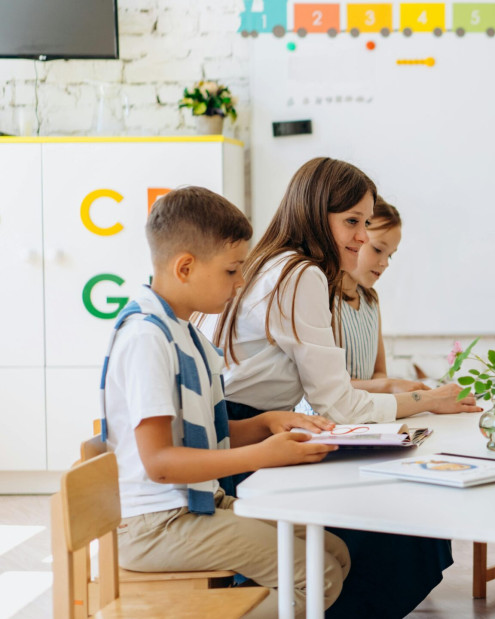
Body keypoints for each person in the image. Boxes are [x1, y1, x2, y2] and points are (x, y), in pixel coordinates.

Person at [212, 157, 473, 618]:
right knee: (402, 524)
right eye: (352, 222)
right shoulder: (302, 275)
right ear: (315, 213)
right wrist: (427, 401)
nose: (362, 237)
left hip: (248, 433)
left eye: (366, 223)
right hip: (248, 448)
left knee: (395, 512)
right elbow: (339, 404)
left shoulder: (275, 264)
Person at [101, 186, 350, 619]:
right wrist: (263, 454)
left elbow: (203, 437)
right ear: (185, 267)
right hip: (156, 523)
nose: (240, 284)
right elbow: (160, 463)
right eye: (232, 271)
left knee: (334, 552)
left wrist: (266, 424)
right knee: (319, 575)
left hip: (193, 503)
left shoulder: (184, 332)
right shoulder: (147, 338)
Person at [295, 197, 428, 417]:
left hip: (363, 416)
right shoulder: (321, 296)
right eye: (377, 249)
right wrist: (390, 386)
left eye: (390, 255)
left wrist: (387, 386)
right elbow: (324, 387)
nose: (385, 263)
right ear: (356, 239)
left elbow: (379, 372)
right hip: (322, 420)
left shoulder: (371, 301)